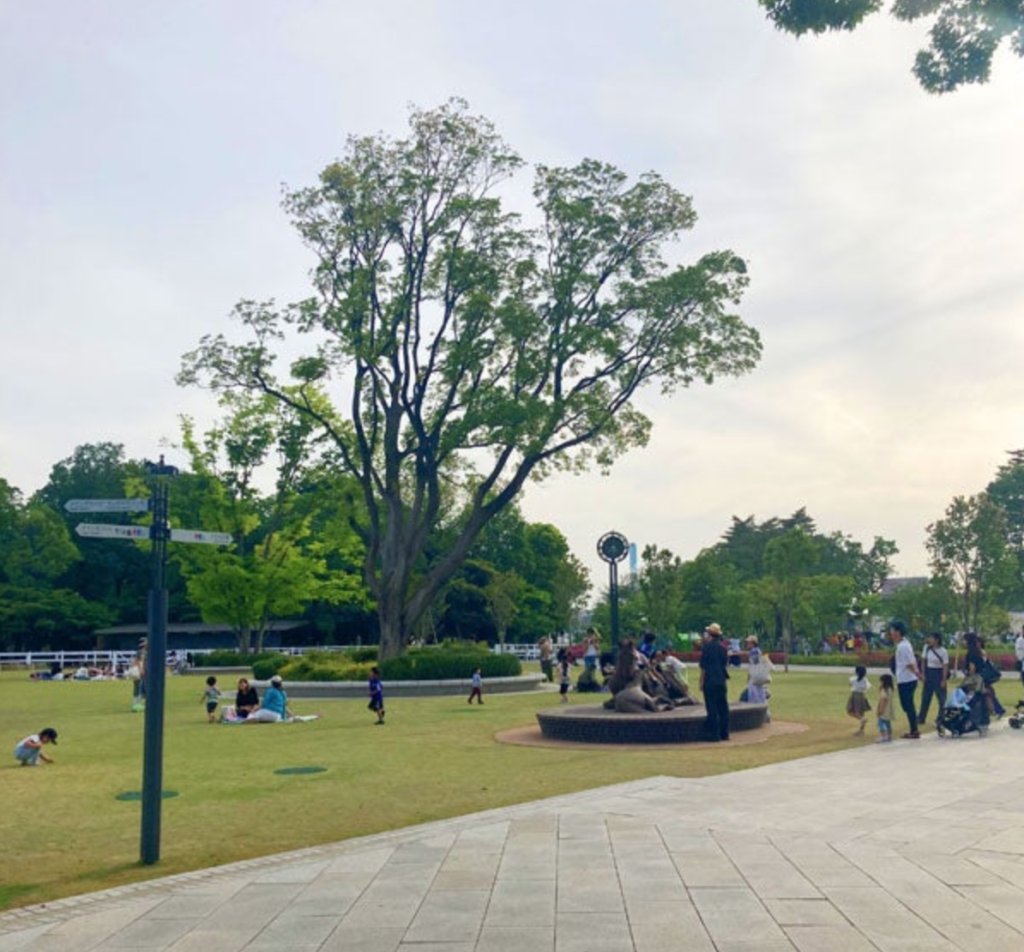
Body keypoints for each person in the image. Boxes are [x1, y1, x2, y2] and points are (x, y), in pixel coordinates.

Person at [890, 620, 921, 739]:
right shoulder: (904, 644)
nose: (891, 633)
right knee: (907, 705)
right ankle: (914, 728)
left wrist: (918, 674)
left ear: (898, 632)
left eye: (892, 630)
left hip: (906, 680)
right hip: (905, 679)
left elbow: (909, 663)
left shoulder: (903, 647)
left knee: (908, 705)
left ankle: (914, 730)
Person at [699, 623, 730, 742]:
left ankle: (714, 735)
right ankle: (725, 733)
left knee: (711, 707)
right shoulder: (723, 648)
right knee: (723, 707)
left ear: (710, 634)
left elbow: (704, 667)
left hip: (710, 680)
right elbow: (724, 664)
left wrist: (701, 681)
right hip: (721, 680)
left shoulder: (706, 648)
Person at [917, 632, 949, 728]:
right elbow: (923, 661)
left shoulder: (943, 651)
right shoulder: (926, 648)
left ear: (937, 640)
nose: (929, 640)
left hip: (938, 673)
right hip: (929, 673)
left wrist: (944, 679)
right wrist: (922, 673)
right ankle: (921, 717)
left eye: (931, 638)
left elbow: (945, 666)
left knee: (941, 698)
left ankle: (940, 718)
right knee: (925, 697)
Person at [744, 635, 769, 711]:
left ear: (753, 643)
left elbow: (753, 666)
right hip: (758, 676)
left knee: (754, 697)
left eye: (748, 643)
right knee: (760, 696)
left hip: (756, 677)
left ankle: (759, 715)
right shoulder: (757, 650)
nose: (747, 644)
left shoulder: (754, 651)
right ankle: (765, 714)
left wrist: (734, 654)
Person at [847, 664, 871, 735]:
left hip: (855, 695)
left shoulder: (852, 679)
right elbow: (867, 687)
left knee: (850, 711)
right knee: (862, 712)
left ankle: (861, 719)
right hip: (862, 695)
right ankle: (861, 730)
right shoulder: (865, 680)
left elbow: (850, 685)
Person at [876, 673, 894, 743]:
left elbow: (884, 699)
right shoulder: (890, 689)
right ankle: (889, 736)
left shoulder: (884, 690)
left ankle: (883, 736)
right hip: (889, 710)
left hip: (884, 710)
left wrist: (880, 710)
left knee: (880, 723)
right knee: (888, 723)